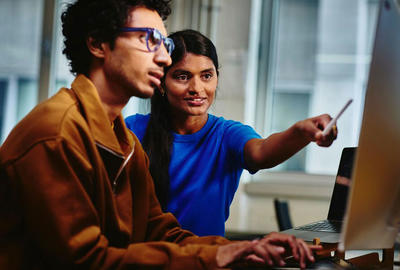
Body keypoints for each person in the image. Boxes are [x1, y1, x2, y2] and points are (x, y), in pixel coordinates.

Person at [0, 0, 320, 269]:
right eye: (148, 40)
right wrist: (219, 255)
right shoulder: (57, 133)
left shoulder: (122, 139)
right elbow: (87, 262)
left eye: (163, 43)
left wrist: (235, 251)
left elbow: (158, 229)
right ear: (98, 43)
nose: (164, 57)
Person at [125, 29, 338, 237]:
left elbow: (262, 152)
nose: (197, 88)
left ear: (216, 78)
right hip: (144, 259)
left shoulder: (227, 134)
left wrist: (301, 132)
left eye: (207, 76)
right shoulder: (132, 130)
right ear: (162, 83)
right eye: (182, 76)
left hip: (209, 262)